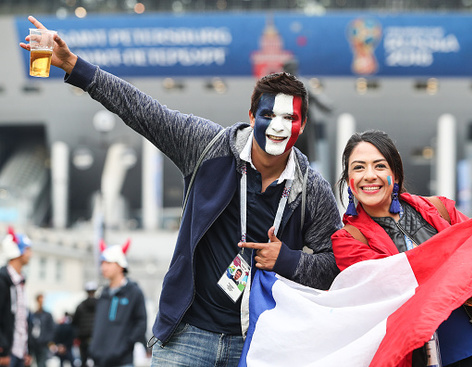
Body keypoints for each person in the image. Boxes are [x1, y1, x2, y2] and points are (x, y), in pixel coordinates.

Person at [19, 15, 341, 367]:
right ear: (252, 116)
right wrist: (73, 65)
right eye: (269, 115)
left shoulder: (311, 189)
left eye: (290, 118)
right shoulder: (209, 146)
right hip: (188, 338)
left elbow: (335, 266)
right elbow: (143, 110)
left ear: (303, 124)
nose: (278, 127)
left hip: (262, 342)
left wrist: (289, 260)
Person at [330, 130, 472, 367]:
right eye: (358, 168)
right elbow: (390, 296)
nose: (369, 176)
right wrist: (465, 265)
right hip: (419, 360)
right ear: (348, 178)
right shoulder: (349, 240)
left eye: (379, 166)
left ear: (396, 174)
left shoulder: (440, 209)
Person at [88, 241, 147, 367]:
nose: (103, 267)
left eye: (108, 263)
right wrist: (93, 349)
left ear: (120, 265)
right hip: (98, 361)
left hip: (122, 361)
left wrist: (123, 347)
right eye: (102, 263)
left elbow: (141, 324)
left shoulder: (134, 292)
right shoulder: (103, 293)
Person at [0, 228, 33, 367]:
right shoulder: (2, 280)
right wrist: (2, 350)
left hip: (20, 352)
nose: (30, 254)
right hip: (6, 353)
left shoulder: (19, 281)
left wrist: (27, 349)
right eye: (27, 249)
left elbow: (22, 319)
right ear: (17, 251)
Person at [72, 282, 97, 367]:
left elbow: (74, 321)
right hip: (96, 337)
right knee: (97, 360)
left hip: (83, 337)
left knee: (84, 360)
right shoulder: (100, 304)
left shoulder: (81, 306)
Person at [30, 294, 55, 367]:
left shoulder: (47, 315)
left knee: (42, 363)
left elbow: (51, 329)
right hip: (34, 344)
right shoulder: (33, 315)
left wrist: (48, 340)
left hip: (43, 344)